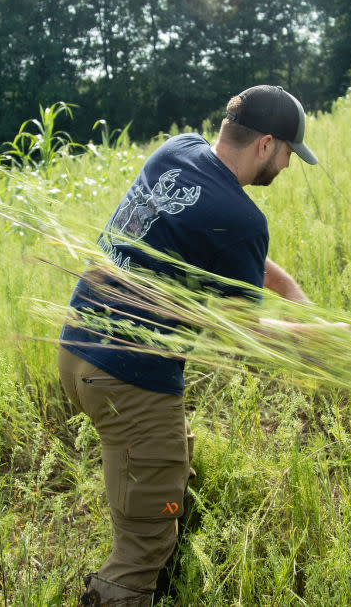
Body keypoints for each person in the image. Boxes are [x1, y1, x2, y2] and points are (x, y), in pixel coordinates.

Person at [58, 85, 317, 606]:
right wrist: (325, 340)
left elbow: (203, 245)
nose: (289, 166)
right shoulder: (243, 219)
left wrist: (288, 289)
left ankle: (173, 569)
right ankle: (131, 584)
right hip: (128, 376)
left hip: (76, 348)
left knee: (171, 466)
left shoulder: (177, 150)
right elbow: (245, 334)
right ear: (266, 144)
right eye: (290, 153)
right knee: (142, 544)